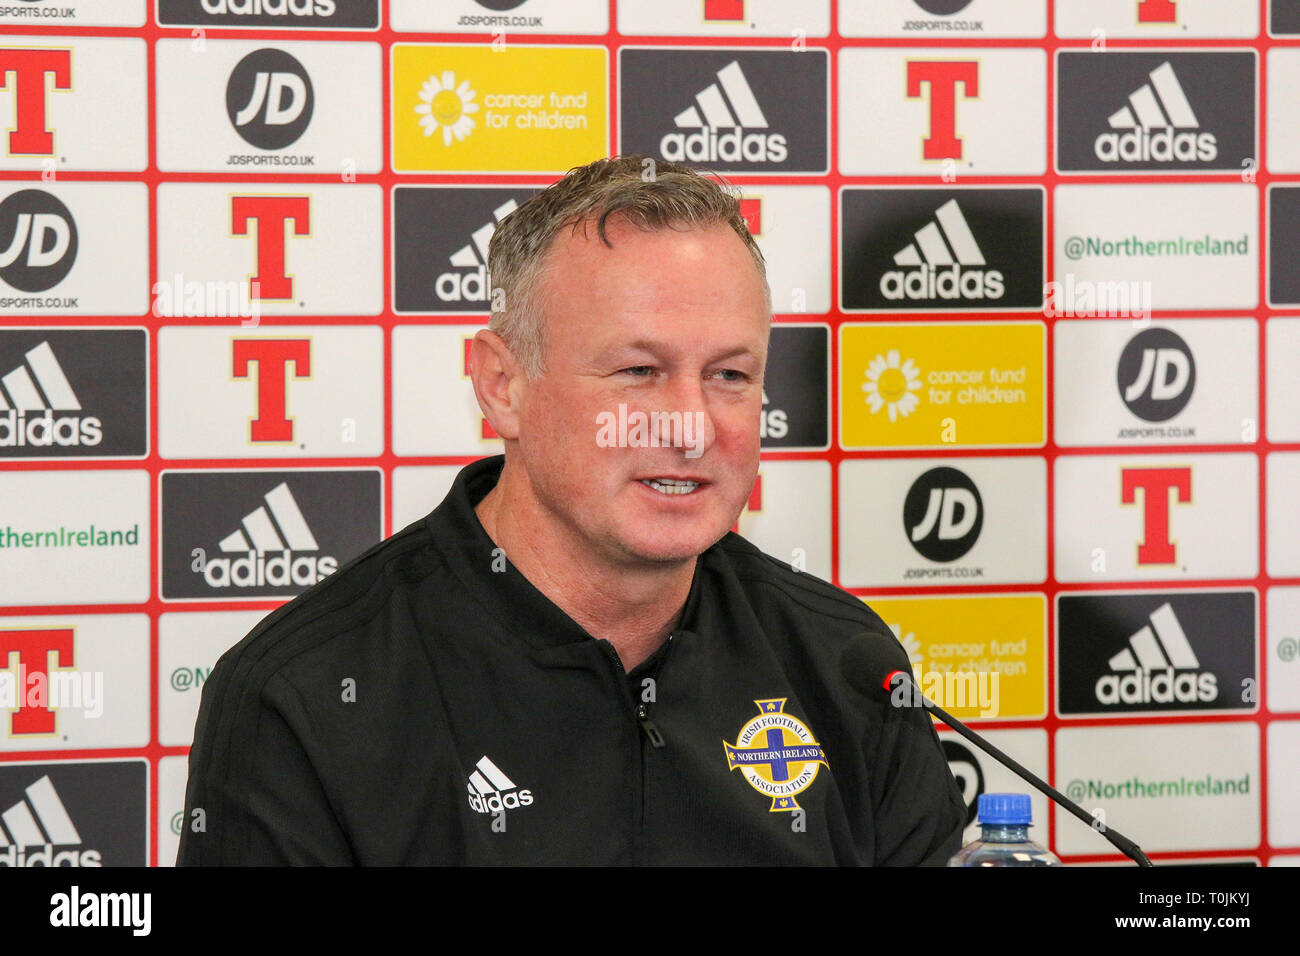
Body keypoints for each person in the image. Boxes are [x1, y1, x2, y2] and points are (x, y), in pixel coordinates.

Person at [177, 155, 966, 865]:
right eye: (637, 370)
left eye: (729, 375)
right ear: (502, 386)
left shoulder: (846, 663)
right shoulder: (304, 694)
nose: (690, 425)